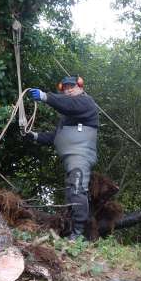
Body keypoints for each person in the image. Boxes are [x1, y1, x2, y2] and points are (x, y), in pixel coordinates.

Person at [27, 76, 98, 240]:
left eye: (71, 86)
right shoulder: (68, 116)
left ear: (80, 86)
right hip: (70, 158)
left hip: (80, 155)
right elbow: (55, 136)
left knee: (77, 188)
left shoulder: (86, 102)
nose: (68, 90)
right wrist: (34, 136)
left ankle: (79, 234)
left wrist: (46, 96)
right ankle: (71, 231)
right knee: (71, 194)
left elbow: (68, 105)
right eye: (65, 88)